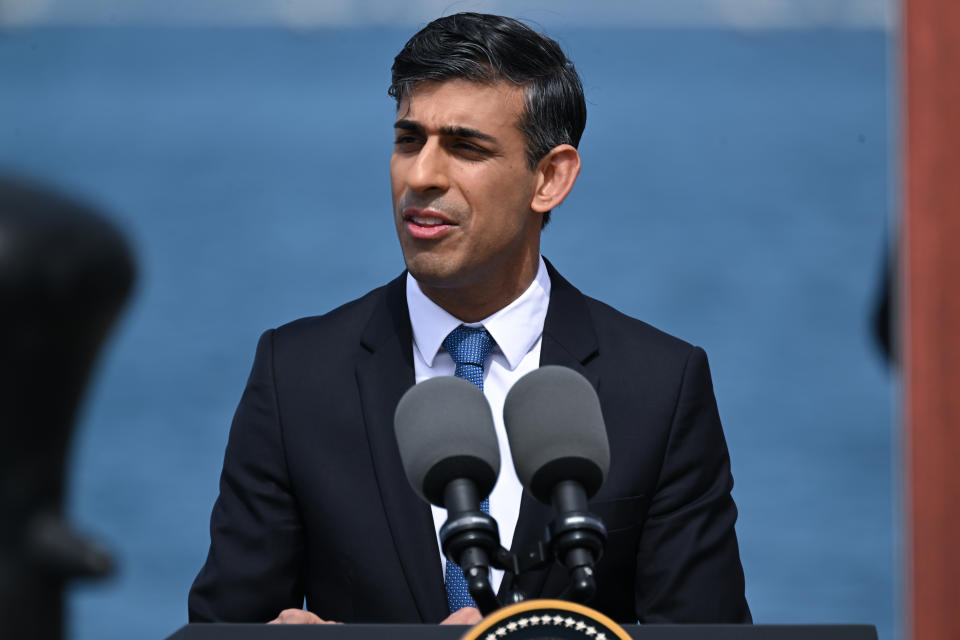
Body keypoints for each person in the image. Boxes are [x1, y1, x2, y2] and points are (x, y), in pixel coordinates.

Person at [188, 12, 751, 627]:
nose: (422, 175)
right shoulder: (295, 375)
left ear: (550, 178)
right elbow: (219, 627)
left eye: (465, 147)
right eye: (409, 140)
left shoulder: (659, 386)